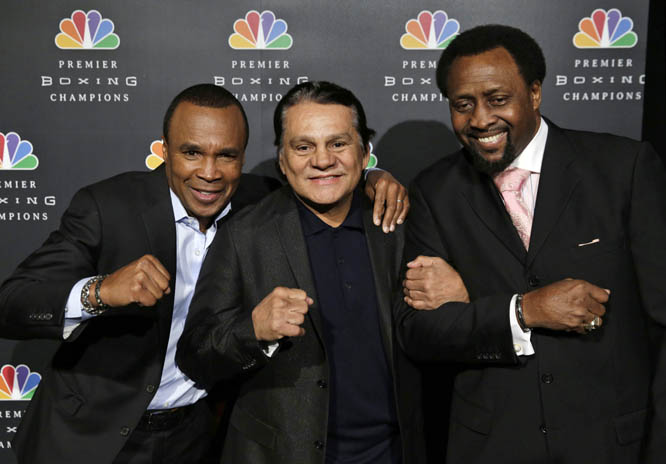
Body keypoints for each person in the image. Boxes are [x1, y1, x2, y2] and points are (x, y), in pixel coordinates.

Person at [0, 83, 408, 464]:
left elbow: (323, 175)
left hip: (196, 437)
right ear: (164, 152)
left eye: (227, 156)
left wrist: (374, 178)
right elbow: (12, 303)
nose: (209, 173)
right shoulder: (108, 208)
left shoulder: (260, 200)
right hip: (91, 435)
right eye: (192, 153)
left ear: (245, 158)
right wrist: (100, 292)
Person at [398, 25, 666, 463]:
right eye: (463, 105)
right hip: (492, 446)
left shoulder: (624, 169)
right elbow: (419, 332)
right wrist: (521, 311)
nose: (480, 119)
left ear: (535, 93)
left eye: (497, 99)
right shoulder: (434, 191)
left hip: (614, 445)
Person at [176, 81, 425, 464]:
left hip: (396, 452)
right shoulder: (245, 236)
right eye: (303, 146)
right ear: (282, 160)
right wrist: (252, 331)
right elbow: (195, 354)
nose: (322, 160)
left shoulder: (400, 224)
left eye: (338, 144)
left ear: (365, 153)